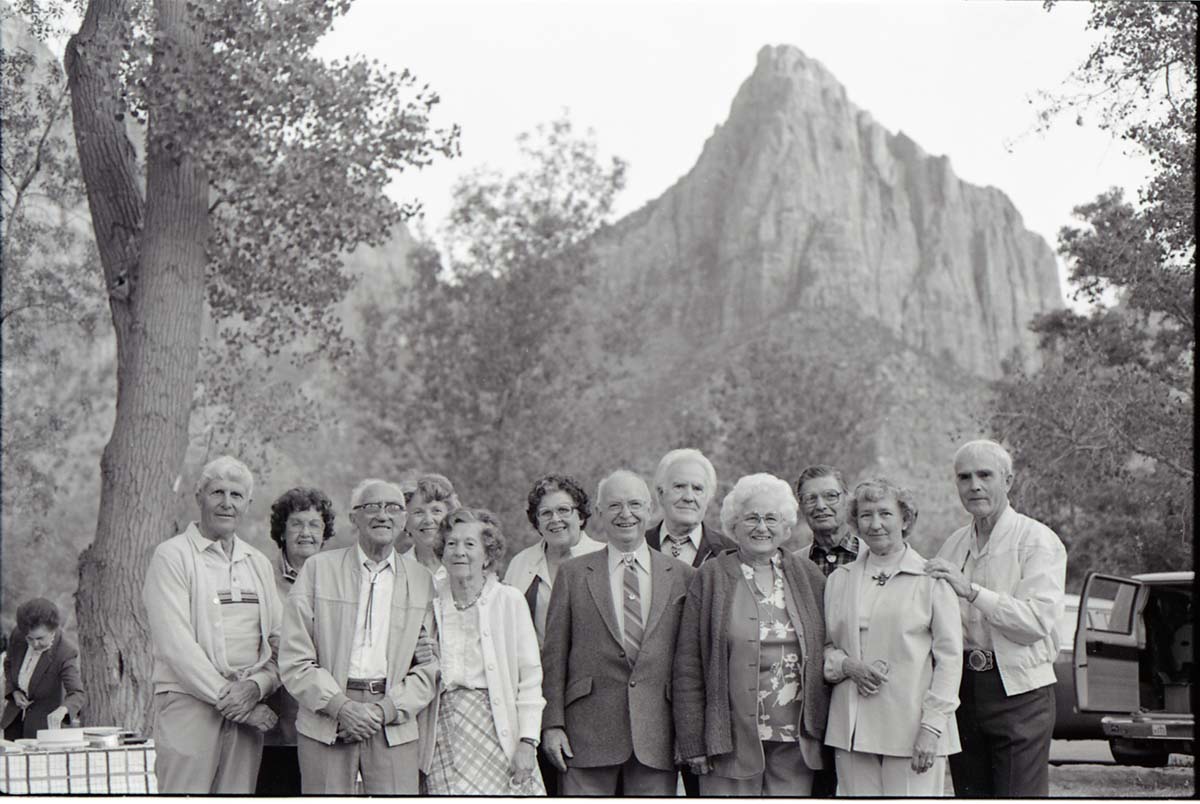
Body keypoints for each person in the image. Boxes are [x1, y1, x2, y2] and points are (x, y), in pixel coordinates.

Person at [673, 473, 830, 795]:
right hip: (729, 741)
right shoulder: (711, 577)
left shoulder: (808, 576)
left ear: (786, 525)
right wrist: (692, 741)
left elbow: (827, 646)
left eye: (771, 518)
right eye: (752, 518)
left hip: (795, 742)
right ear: (734, 524)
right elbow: (688, 666)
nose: (762, 527)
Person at [925, 439, 1067, 797]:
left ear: (1008, 480)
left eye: (985, 475)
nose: (974, 485)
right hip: (964, 690)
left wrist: (972, 591)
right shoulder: (953, 544)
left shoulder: (1038, 541)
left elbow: (1036, 622)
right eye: (964, 477)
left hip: (1020, 692)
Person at [540, 470, 695, 796]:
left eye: (635, 504)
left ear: (651, 508)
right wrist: (552, 724)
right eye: (614, 506)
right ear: (598, 514)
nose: (626, 514)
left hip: (657, 734)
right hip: (586, 734)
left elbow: (690, 663)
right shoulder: (573, 574)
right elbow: (554, 655)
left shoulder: (683, 576)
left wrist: (689, 734)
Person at [279, 478, 439, 794]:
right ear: (354, 518)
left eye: (393, 508)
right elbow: (294, 658)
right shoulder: (317, 570)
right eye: (372, 507)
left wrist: (384, 710)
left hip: (393, 721)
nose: (383, 515)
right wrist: (341, 707)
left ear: (404, 520)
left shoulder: (423, 582)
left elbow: (430, 668)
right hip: (326, 718)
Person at [142, 455, 281, 793]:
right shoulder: (172, 556)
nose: (226, 503)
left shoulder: (257, 563)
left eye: (236, 495)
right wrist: (235, 703)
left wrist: (256, 688)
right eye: (217, 492)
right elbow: (176, 646)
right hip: (189, 706)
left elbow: (279, 642)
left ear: (247, 504)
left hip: (248, 701)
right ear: (198, 496)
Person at [824, 478, 962, 796]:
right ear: (855, 522)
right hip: (852, 730)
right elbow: (827, 647)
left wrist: (932, 727)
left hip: (913, 730)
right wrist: (847, 666)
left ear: (905, 519)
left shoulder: (932, 579)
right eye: (865, 515)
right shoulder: (839, 580)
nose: (875, 524)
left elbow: (950, 660)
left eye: (885, 514)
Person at [422, 509, 545, 794]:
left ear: (487, 555)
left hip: (498, 727)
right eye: (451, 544)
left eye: (469, 544)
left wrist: (527, 741)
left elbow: (530, 677)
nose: (459, 552)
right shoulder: (431, 601)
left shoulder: (508, 600)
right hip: (443, 730)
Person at [504, 474, 605, 795]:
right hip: (533, 694)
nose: (555, 519)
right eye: (545, 513)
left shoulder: (604, 557)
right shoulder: (522, 564)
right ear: (535, 521)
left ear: (581, 515)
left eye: (564, 510)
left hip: (590, 696)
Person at [256, 487, 336, 795]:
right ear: (282, 531)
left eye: (314, 524)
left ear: (324, 531)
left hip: (325, 722)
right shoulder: (262, 576)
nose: (306, 533)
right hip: (276, 725)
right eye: (297, 524)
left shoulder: (335, 577)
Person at [2, 598, 86, 739]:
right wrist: (14, 692)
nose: (35, 644)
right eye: (30, 639)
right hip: (13, 722)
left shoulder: (65, 652)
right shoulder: (18, 635)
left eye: (40, 638)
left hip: (43, 730)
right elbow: (8, 663)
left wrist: (63, 710)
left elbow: (77, 693)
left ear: (52, 630)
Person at [647, 448, 733, 567]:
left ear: (708, 498)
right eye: (679, 486)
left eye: (697, 489)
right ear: (661, 494)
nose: (688, 497)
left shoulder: (730, 554)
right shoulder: (637, 546)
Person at [796, 464, 862, 576]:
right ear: (801, 507)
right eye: (810, 498)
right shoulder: (793, 565)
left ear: (847, 500)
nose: (820, 506)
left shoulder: (872, 555)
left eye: (831, 496)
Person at [399, 473, 460, 590]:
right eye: (418, 512)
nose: (428, 520)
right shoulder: (396, 570)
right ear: (405, 521)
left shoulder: (464, 565)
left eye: (436, 511)